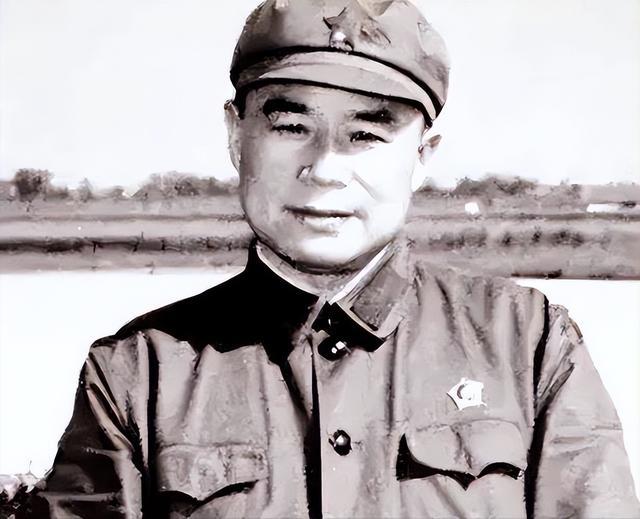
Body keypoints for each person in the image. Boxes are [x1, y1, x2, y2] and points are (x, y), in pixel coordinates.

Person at [22, 0, 640, 517]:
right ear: (236, 137)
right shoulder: (137, 374)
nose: (324, 170)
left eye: (366, 134)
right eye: (291, 127)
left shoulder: (528, 344)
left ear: (422, 156)